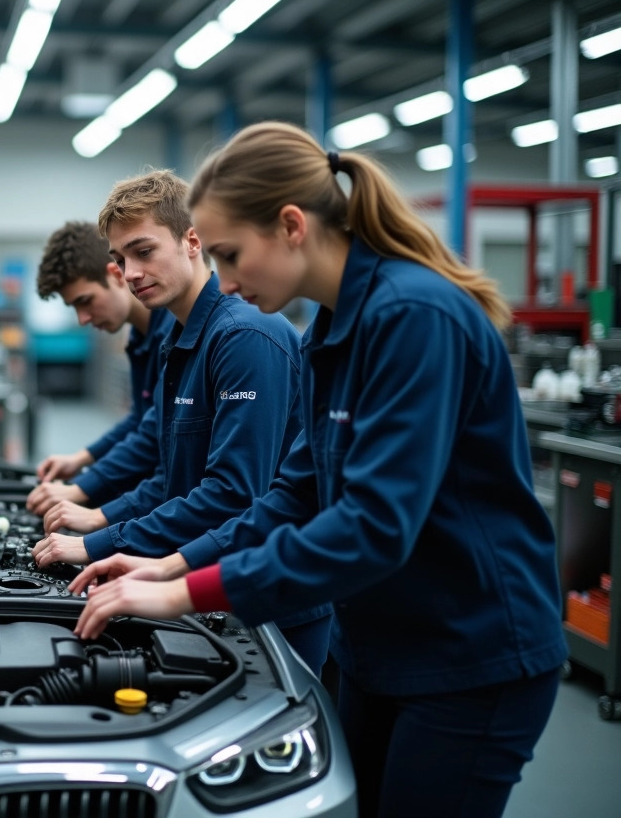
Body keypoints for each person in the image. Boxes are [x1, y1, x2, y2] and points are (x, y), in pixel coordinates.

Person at [70, 122, 567, 818]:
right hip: (380, 645)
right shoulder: (326, 335)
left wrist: (187, 596)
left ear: (292, 226)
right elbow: (291, 497)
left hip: (469, 652)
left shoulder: (413, 316)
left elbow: (372, 528)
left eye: (231, 254)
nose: (229, 279)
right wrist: (173, 565)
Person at [31, 170, 330, 676]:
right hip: (208, 579)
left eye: (144, 251)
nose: (130, 271)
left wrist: (99, 539)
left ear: (192, 241)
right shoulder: (179, 342)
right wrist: (104, 528)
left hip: (273, 602)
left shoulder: (245, 338)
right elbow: (170, 480)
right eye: (121, 258)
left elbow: (234, 492)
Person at [26, 220, 173, 517]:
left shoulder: (172, 335)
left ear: (116, 275)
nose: (82, 319)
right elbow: (140, 419)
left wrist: (81, 488)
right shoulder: (139, 337)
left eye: (86, 301)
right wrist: (82, 458)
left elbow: (154, 432)